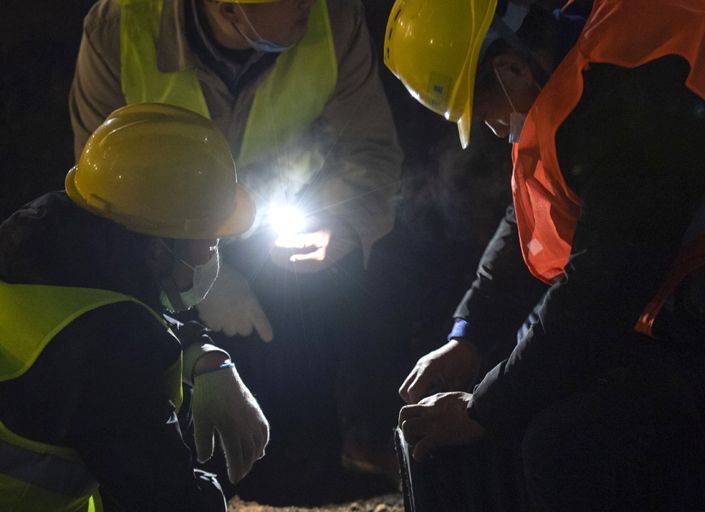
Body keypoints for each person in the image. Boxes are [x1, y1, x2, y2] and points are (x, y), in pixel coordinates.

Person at [385, 0, 705, 509]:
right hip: (685, 294)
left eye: (483, 112)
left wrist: (484, 409)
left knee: (567, 447)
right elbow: (537, 215)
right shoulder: (578, 65)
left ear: (508, 68)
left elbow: (602, 287)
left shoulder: (632, 93)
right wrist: (471, 335)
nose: (492, 130)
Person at [69, 0, 403, 483]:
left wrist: (344, 224)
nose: (310, 6)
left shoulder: (334, 19)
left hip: (290, 223)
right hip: (170, 240)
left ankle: (364, 434)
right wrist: (201, 269)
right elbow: (102, 196)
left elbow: (371, 151)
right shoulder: (118, 30)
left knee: (391, 243)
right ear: (228, 9)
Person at [0, 103, 270, 511]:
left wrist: (203, 355)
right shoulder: (111, 351)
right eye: (209, 239)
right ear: (158, 247)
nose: (215, 253)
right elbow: (166, 500)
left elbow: (94, 321)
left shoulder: (41, 252)